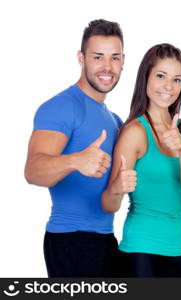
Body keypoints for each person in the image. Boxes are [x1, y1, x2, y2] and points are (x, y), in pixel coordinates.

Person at [24, 19, 125, 277]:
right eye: (98, 57)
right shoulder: (62, 106)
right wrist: (75, 161)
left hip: (106, 240)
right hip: (70, 241)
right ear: (81, 58)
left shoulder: (114, 120)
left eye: (114, 57)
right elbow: (33, 171)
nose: (107, 67)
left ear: (123, 60)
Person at [102, 43, 181, 278]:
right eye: (160, 76)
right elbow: (109, 203)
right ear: (145, 78)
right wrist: (117, 187)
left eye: (177, 79)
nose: (169, 86)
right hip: (140, 252)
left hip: (179, 250)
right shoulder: (135, 132)